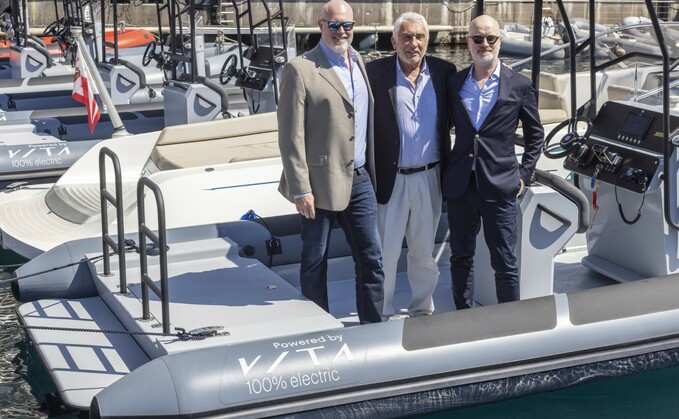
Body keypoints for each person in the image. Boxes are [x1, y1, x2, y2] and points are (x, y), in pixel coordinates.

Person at [277, 0, 384, 324]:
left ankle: (372, 327)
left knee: (371, 258)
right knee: (314, 261)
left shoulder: (358, 60)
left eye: (347, 25)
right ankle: (318, 328)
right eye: (334, 25)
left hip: (360, 177)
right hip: (319, 183)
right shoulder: (301, 68)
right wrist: (300, 190)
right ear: (321, 25)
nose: (341, 31)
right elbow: (290, 135)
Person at [443, 15, 544, 309]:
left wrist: (524, 174)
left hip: (501, 187)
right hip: (461, 185)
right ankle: (463, 316)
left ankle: (509, 325)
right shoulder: (454, 82)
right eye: (477, 39)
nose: (484, 44)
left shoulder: (520, 85)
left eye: (490, 38)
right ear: (468, 42)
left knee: (505, 261)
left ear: (499, 41)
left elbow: (536, 136)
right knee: (461, 257)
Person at [366, 12, 456, 320]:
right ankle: (382, 312)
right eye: (406, 37)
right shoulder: (374, 73)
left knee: (423, 253)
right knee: (385, 254)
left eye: (419, 37)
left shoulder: (445, 73)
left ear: (427, 41)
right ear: (393, 41)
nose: (412, 43)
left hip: (430, 178)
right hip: (391, 179)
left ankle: (421, 309)